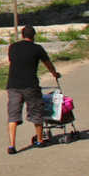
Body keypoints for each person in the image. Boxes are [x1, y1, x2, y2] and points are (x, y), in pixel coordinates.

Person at [5, 25, 62, 153]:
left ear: (22, 35)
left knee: (13, 114)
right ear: (34, 36)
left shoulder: (13, 47)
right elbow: (48, 63)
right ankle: (40, 141)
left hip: (13, 85)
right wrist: (54, 74)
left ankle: (11, 145)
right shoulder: (37, 48)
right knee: (37, 111)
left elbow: (12, 60)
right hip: (30, 85)